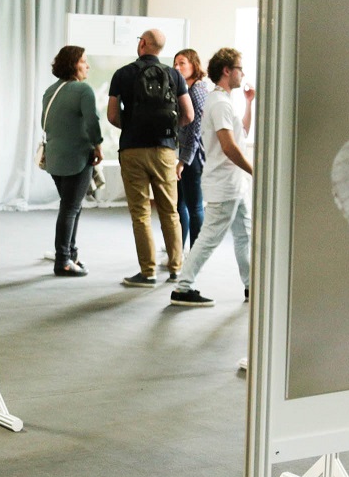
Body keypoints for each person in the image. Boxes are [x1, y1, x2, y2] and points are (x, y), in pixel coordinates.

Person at [107, 28, 192, 287]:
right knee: (170, 211)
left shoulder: (122, 74)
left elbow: (111, 115)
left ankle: (148, 272)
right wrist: (167, 131)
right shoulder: (174, 74)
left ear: (142, 44)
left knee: (141, 213)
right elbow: (188, 115)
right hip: (165, 150)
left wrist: (133, 127)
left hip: (132, 150)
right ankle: (177, 268)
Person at [170, 47, 254, 308]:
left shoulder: (225, 102)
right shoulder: (217, 102)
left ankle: (252, 286)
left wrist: (250, 103)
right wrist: (256, 171)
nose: (242, 73)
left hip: (234, 184)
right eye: (239, 68)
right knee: (210, 238)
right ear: (227, 71)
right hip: (224, 184)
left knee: (244, 236)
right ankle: (183, 287)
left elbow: (243, 133)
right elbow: (228, 147)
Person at [41, 45, 103, 276]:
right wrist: (98, 145)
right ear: (73, 64)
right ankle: (63, 260)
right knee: (70, 209)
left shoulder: (50, 91)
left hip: (55, 159)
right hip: (77, 157)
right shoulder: (83, 90)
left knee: (70, 207)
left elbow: (43, 123)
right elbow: (92, 121)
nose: (87, 65)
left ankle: (71, 254)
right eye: (84, 61)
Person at [173, 48, 210, 249]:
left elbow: (196, 130)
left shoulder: (198, 90)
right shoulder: (186, 89)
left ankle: (195, 252)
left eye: (182, 63)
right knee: (180, 205)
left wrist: (183, 161)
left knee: (194, 206)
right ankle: (179, 250)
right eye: (175, 63)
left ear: (194, 65)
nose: (177, 67)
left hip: (193, 156)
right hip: (186, 154)